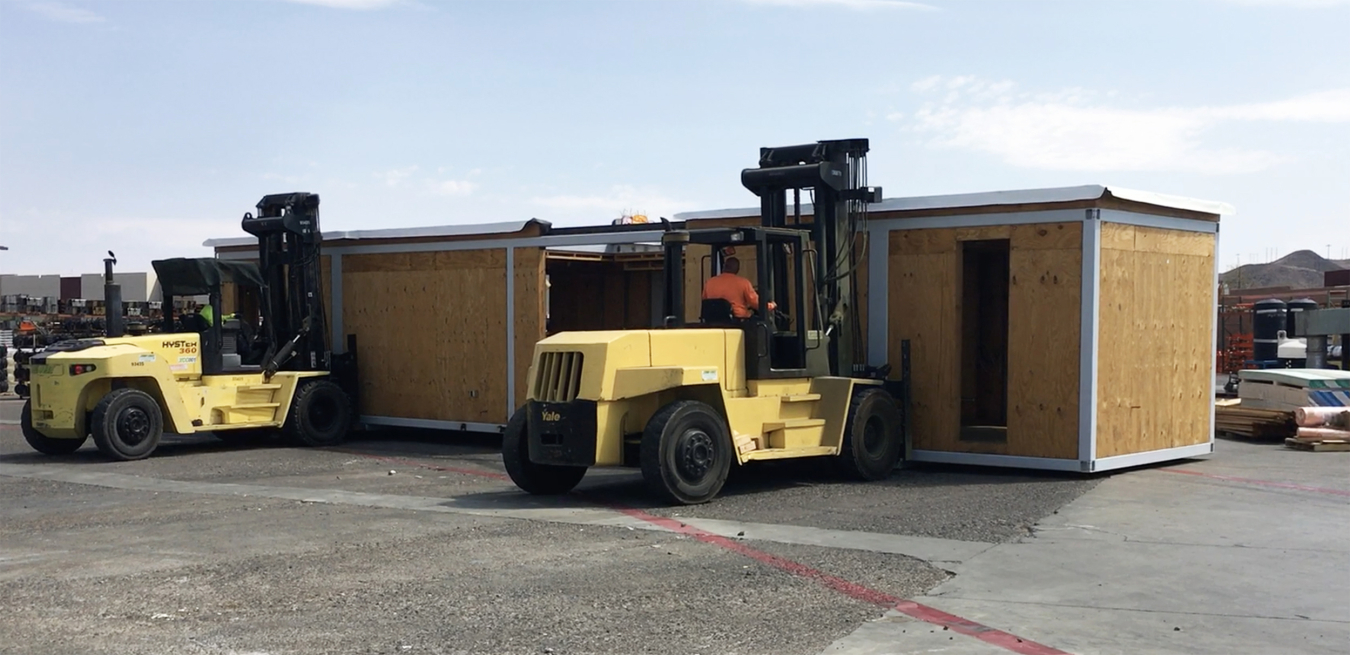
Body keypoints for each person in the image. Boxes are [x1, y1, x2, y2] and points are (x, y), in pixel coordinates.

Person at [702, 256, 775, 319]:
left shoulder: (709, 282)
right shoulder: (743, 283)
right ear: (737, 269)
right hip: (737, 320)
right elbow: (756, 303)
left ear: (724, 267)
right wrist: (770, 306)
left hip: (712, 320)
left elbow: (705, 300)